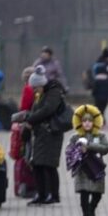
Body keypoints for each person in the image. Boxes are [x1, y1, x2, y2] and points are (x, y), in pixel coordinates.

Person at [24, 66, 66, 205]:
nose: (35, 91)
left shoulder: (53, 92)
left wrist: (31, 119)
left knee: (49, 165)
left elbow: (48, 110)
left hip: (52, 133)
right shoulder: (41, 94)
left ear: (41, 84)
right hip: (41, 133)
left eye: (36, 88)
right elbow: (37, 110)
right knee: (37, 165)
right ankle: (41, 194)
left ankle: (54, 195)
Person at [67, 105, 108, 216]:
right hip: (82, 170)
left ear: (94, 122)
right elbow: (69, 150)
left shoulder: (100, 136)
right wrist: (78, 150)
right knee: (83, 193)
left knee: (98, 194)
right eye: (84, 121)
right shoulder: (75, 137)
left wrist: (89, 146)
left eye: (89, 121)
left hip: (96, 168)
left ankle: (92, 209)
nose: (87, 123)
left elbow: (106, 148)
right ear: (80, 122)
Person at [90, 50, 108, 123]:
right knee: (103, 105)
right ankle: (101, 120)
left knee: (97, 105)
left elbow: (93, 73)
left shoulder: (97, 62)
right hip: (105, 87)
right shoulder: (106, 64)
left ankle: (99, 120)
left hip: (97, 86)